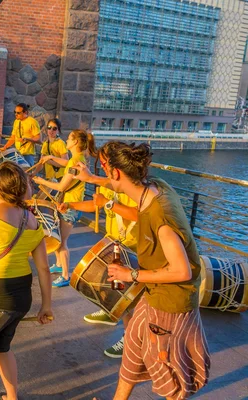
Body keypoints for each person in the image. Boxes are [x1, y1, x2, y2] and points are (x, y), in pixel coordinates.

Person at [97, 141, 210, 399]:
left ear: (116, 173)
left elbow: (182, 271)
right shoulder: (154, 188)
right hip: (154, 296)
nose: (104, 174)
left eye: (104, 169)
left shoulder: (161, 218)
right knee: (132, 353)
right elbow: (140, 214)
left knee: (170, 378)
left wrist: (131, 275)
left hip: (170, 305)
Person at [0, 162, 53, 400]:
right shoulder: (32, 220)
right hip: (21, 296)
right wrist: (46, 305)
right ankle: (12, 397)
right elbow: (44, 268)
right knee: (3, 348)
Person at [58, 153, 139, 358]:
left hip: (133, 248)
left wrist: (108, 204)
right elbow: (96, 204)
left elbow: (138, 214)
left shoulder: (132, 187)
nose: (101, 167)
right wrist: (72, 205)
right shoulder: (107, 183)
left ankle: (129, 341)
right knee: (115, 289)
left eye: (104, 164)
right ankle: (111, 313)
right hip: (115, 244)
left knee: (130, 300)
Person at [32, 129, 97, 287]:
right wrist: (51, 157)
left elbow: (61, 186)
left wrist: (41, 181)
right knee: (57, 236)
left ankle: (66, 276)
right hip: (68, 204)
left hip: (71, 206)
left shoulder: (76, 161)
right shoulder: (76, 158)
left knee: (61, 242)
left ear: (75, 142)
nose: (66, 140)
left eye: (69, 138)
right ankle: (60, 265)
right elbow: (65, 164)